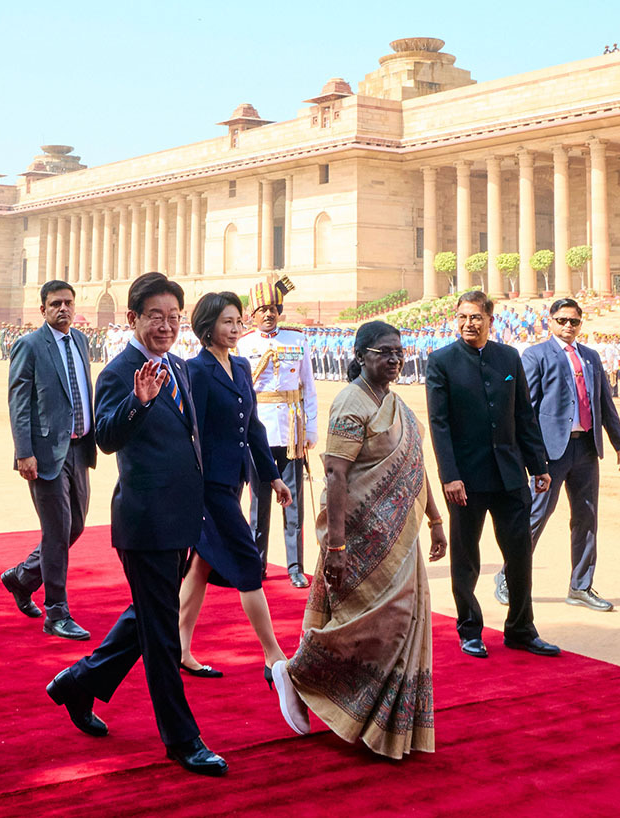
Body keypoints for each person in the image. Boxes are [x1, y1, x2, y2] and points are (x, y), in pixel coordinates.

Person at [44, 273, 227, 777]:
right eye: (155, 317)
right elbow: (104, 438)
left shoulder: (181, 368)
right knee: (163, 633)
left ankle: (78, 683)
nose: (167, 326)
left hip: (182, 519)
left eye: (174, 317)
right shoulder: (122, 371)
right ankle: (183, 740)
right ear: (133, 319)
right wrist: (138, 402)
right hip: (145, 522)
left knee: (146, 616)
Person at [271, 321, 447, 758]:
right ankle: (296, 673)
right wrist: (336, 545)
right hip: (362, 542)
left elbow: (415, 465)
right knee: (373, 628)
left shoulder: (396, 404)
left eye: (399, 353)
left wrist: (436, 519)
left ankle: (382, 727)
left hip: (401, 539)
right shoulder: (351, 403)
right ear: (360, 356)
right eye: (384, 352)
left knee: (401, 626)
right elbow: (336, 473)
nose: (394, 360)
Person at [425, 291, 559, 659]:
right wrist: (449, 476)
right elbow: (440, 425)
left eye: (476, 317)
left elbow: (523, 415)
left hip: (510, 475)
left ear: (490, 319)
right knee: (466, 559)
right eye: (463, 317)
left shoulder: (508, 357)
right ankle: (470, 629)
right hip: (465, 481)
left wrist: (539, 466)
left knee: (519, 555)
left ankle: (520, 629)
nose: (469, 323)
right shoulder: (441, 361)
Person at [176, 292, 294, 680]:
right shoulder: (196, 371)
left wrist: (272, 475)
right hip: (208, 485)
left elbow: (253, 428)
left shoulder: (241, 367)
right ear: (207, 327)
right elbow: (192, 435)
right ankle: (272, 654)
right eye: (227, 321)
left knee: (201, 565)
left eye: (237, 321)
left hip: (234, 480)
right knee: (247, 562)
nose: (235, 328)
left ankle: (179, 648)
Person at [494, 298, 620, 612]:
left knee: (586, 518)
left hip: (585, 449)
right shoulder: (536, 355)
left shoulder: (592, 357)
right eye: (562, 320)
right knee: (536, 516)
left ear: (581, 324)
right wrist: (528, 454)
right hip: (550, 453)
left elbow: (604, 404)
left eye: (574, 321)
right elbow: (524, 409)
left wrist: (619, 442)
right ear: (550, 322)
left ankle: (580, 587)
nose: (568, 326)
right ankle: (507, 576)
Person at [0, 280, 96, 641]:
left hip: (79, 447)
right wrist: (23, 452)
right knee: (56, 532)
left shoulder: (81, 341)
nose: (63, 309)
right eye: (55, 303)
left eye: (68, 303)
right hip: (44, 454)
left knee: (75, 527)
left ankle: (23, 577)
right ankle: (57, 612)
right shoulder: (30, 345)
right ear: (42, 309)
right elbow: (19, 403)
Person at [238, 275, 318, 588]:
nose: (269, 314)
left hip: (290, 433)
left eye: (273, 308)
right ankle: (257, 564)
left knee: (293, 502)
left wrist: (310, 427)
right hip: (258, 433)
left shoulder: (297, 340)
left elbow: (308, 387)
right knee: (258, 506)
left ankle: (295, 566)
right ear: (252, 314)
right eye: (262, 309)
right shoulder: (244, 345)